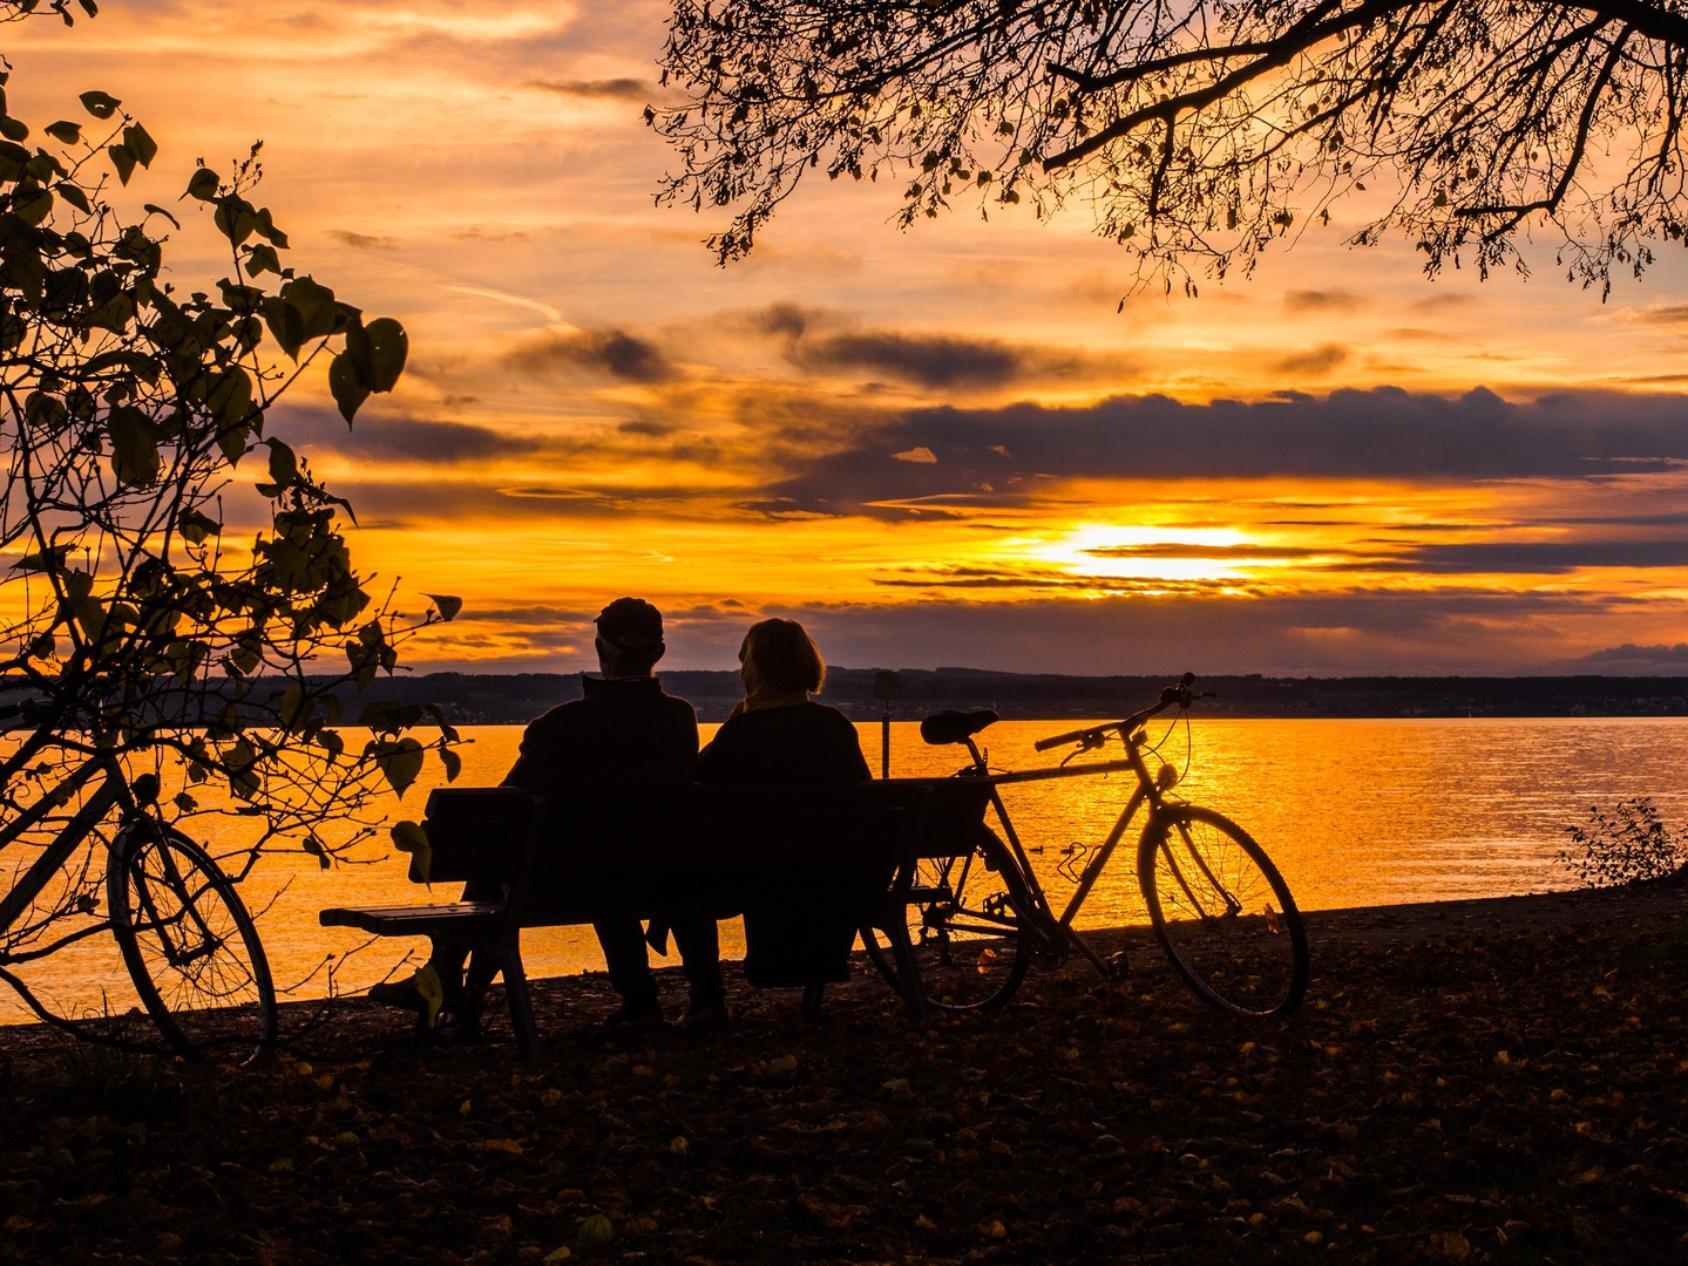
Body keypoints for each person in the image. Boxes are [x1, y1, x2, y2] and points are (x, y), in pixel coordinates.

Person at [371, 597, 727, 1033]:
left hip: (576, 881)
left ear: (600, 647)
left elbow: (503, 807)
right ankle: (675, 1001)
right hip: (664, 875)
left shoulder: (564, 723)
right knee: (571, 860)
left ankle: (453, 986)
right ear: (659, 651)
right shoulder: (679, 718)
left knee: (499, 855)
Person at [697, 618, 872, 990]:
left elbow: (697, 784)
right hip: (836, 873)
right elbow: (865, 800)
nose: (741, 670)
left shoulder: (742, 733)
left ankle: (706, 999)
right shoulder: (835, 726)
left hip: (761, 874)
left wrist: (734, 723)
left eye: (744, 661)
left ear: (757, 667)